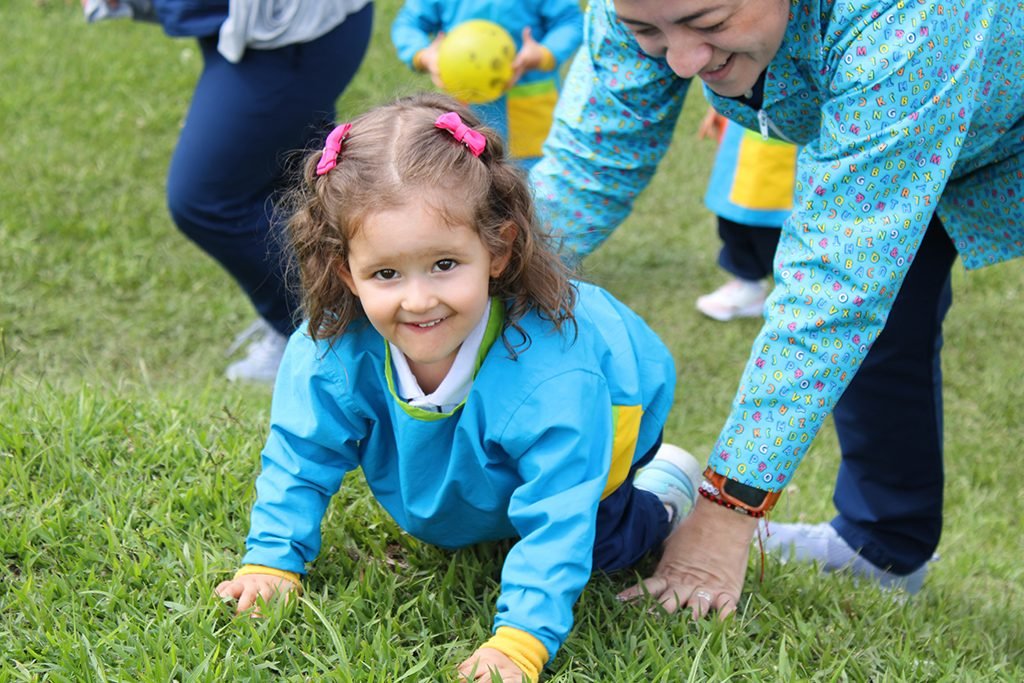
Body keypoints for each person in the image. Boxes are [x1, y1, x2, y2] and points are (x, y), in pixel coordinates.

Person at [530, 0, 1024, 616]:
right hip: (901, 125)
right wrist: (478, 277)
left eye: (709, 25)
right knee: (885, 325)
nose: (681, 61)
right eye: (645, 31)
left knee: (849, 291)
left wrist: (726, 507)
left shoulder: (912, 13)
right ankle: (880, 546)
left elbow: (835, 283)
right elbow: (589, 163)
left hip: (984, 107)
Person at [214, 94, 703, 682]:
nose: (419, 300)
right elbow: (300, 457)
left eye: (445, 264)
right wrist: (271, 561)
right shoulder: (329, 352)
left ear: (496, 250)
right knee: (466, 511)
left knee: (601, 546)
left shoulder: (555, 378)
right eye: (386, 273)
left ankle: (666, 489)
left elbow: (558, 515)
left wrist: (519, 642)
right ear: (347, 272)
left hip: (615, 405)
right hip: (499, 421)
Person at [84, 0, 374, 384]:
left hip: (291, 30)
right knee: (296, 185)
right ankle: (343, 333)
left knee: (206, 198)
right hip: (271, 29)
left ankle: (330, 337)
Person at [390, 0, 583, 169]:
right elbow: (408, 24)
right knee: (473, 184)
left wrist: (543, 53)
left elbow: (570, 21)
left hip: (529, 119)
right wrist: (424, 56)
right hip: (465, 113)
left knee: (534, 196)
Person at [696, 108, 794, 322]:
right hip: (743, 133)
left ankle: (793, 293)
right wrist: (719, 107)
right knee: (733, 215)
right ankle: (747, 285)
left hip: (782, 139)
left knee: (773, 222)